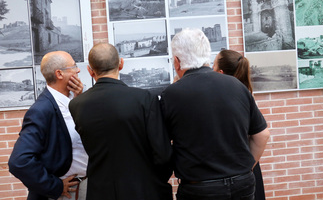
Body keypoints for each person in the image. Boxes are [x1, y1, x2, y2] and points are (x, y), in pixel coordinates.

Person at [160, 28, 270, 200]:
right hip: (243, 184)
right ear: (207, 56)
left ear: (177, 61)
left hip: (200, 189)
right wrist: (247, 169)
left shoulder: (171, 95)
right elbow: (262, 134)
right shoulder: (236, 85)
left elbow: (162, 146)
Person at [68, 43, 173, 200]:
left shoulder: (76, 104)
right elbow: (163, 154)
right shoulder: (144, 99)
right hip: (144, 189)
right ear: (121, 64)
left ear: (90, 71)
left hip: (100, 192)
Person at [8, 51, 88, 200]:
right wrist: (54, 186)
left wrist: (80, 102)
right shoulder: (41, 110)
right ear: (59, 74)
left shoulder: (74, 99)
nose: (78, 70)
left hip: (82, 189)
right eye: (74, 66)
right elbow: (19, 161)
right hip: (61, 195)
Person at [213, 49, 266, 200]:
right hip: (247, 167)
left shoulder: (223, 99)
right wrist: (250, 166)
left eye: (213, 65)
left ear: (221, 73)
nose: (211, 69)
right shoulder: (246, 94)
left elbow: (263, 135)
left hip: (232, 170)